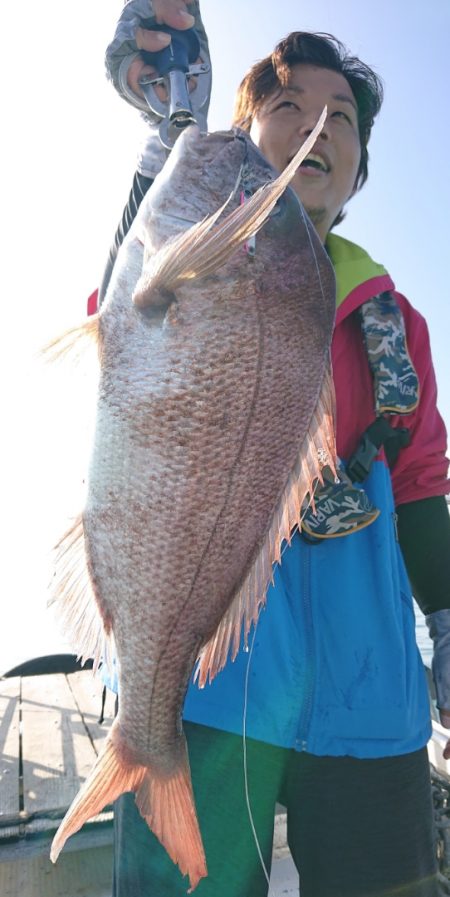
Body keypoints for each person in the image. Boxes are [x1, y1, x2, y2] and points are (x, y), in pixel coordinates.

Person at [98, 3, 450, 895]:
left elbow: (419, 482)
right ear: (246, 127)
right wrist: (162, 141)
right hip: (208, 690)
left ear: (360, 168)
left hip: (374, 699)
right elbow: (124, 319)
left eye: (342, 118)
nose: (317, 126)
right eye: (290, 104)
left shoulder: (393, 320)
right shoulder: (188, 242)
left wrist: (446, 617)